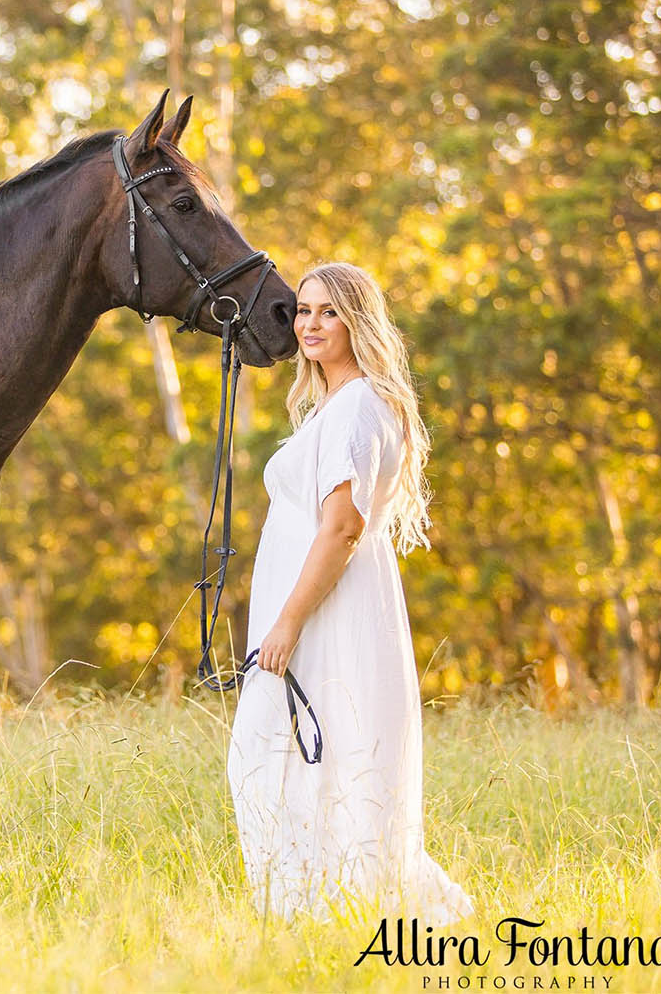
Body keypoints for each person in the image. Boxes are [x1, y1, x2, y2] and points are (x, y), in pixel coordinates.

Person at [227, 262, 472, 924]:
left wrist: (287, 622)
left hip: (324, 613)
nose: (309, 323)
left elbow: (341, 527)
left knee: (280, 757)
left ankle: (319, 915)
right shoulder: (335, 406)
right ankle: (313, 917)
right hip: (315, 609)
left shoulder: (359, 405)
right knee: (302, 760)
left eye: (329, 311)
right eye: (304, 310)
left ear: (357, 320)